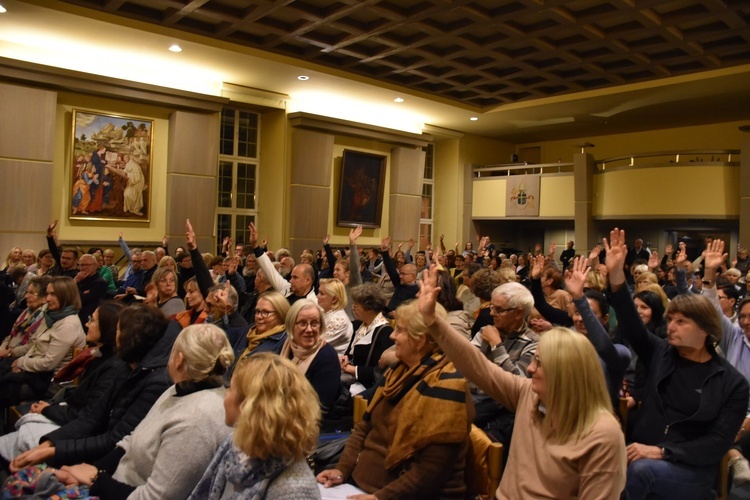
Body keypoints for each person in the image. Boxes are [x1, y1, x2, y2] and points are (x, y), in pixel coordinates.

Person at [416, 265, 627, 499]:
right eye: (534, 360)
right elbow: (476, 365)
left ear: (566, 374)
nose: (530, 368)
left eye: (540, 363)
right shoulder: (529, 394)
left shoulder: (602, 434)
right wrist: (433, 320)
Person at [605, 229, 748, 499]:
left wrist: (663, 452)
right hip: (640, 451)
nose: (671, 327)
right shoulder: (661, 352)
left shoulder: (731, 383)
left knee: (641, 471)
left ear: (706, 330)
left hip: (689, 469)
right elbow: (632, 325)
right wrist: (616, 276)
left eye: (681, 322)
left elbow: (718, 443)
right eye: (670, 320)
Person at [50, 323, 234, 500]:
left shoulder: (196, 421)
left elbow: (156, 497)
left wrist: (96, 480)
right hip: (112, 484)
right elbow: (131, 440)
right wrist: (94, 471)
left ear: (178, 360)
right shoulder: (179, 389)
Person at [318, 299, 473, 498]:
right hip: (359, 486)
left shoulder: (447, 386)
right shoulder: (398, 372)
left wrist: (379, 498)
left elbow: (432, 469)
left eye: (399, 330)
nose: (392, 336)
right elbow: (363, 428)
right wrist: (341, 470)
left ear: (420, 341)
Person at [9, 304, 175, 471]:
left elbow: (113, 440)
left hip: (107, 465)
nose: (87, 324)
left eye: (118, 331)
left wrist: (52, 452)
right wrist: (47, 445)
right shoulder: (127, 367)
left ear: (130, 338)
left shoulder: (152, 381)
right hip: (93, 445)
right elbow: (92, 418)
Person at [0, 301, 124, 461]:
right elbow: (29, 345)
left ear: (108, 328)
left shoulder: (112, 366)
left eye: (92, 320)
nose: (87, 323)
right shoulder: (100, 356)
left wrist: (48, 409)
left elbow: (89, 417)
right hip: (64, 400)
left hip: (56, 390)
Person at [188, 353, 321, 499]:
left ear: (249, 406)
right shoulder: (235, 443)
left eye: (231, 389)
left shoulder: (294, 491)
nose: (225, 395)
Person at [0, 277, 87, 407]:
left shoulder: (69, 324)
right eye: (47, 294)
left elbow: (48, 364)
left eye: (53, 294)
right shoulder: (52, 316)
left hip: (50, 383)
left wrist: (21, 362)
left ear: (65, 296)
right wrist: (21, 362)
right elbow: (34, 346)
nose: (47, 299)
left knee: (4, 386)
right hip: (35, 373)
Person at [279, 299, 340, 414]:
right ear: (291, 325)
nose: (309, 330)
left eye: (314, 323)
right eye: (302, 323)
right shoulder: (287, 346)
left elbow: (321, 408)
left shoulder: (327, 357)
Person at [341, 283, 394, 392]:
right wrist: (345, 358)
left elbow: (378, 371)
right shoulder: (358, 325)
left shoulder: (385, 332)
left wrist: (353, 369)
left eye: (357, 304)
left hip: (364, 387)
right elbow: (350, 352)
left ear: (369, 307)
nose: (353, 307)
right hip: (349, 379)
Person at [0, 276, 50, 361]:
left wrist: (9, 352)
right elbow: (10, 336)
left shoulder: (46, 317)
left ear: (44, 298)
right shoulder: (27, 311)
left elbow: (33, 345)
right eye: (27, 292)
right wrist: (1, 349)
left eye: (31, 293)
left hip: (21, 359)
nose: (26, 296)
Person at [317, 278, 353, 355]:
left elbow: (316, 345)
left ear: (334, 299)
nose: (317, 296)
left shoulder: (339, 320)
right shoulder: (323, 311)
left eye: (321, 294)